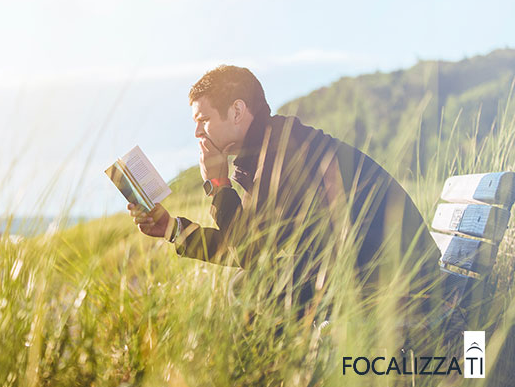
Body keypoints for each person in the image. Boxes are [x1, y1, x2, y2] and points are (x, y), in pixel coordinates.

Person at [128, 65, 454, 333]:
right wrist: (171, 228)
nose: (198, 133)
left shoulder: (285, 154)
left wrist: (217, 182)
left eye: (203, 120)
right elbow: (250, 247)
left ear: (237, 110)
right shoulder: (270, 148)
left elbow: (247, 250)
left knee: (253, 288)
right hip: (376, 273)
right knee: (252, 284)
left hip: (401, 287)